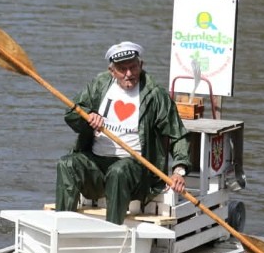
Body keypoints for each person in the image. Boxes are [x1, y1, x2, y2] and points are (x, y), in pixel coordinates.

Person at [55, 41, 192, 225]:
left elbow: (178, 134)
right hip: (97, 164)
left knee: (118, 171)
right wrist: (88, 117)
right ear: (112, 71)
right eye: (122, 69)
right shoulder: (99, 85)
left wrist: (179, 171)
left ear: (141, 65)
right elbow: (72, 113)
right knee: (67, 164)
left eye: (133, 67)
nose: (129, 74)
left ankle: (113, 231)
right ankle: (62, 227)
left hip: (136, 171)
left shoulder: (155, 95)